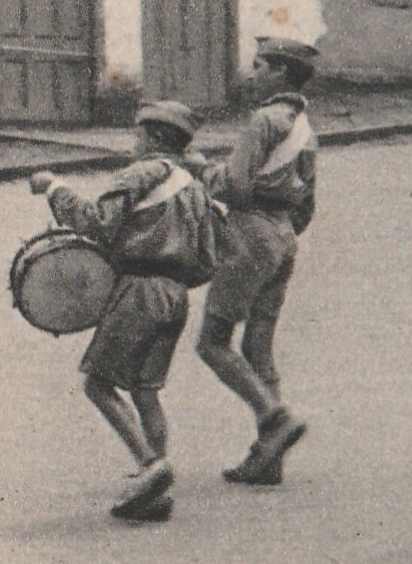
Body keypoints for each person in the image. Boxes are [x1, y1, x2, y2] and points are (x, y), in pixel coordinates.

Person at [29, 102, 217, 522]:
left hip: (139, 291)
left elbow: (95, 221)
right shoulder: (194, 185)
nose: (135, 142)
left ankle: (152, 466)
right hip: (175, 295)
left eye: (139, 135)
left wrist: (54, 187)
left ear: (153, 138)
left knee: (98, 384)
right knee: (145, 390)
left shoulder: (142, 173)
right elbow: (208, 258)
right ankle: (155, 491)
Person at [194, 37, 318, 486]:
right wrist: (282, 235)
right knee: (258, 350)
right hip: (284, 238)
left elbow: (236, 187)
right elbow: (308, 201)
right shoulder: (303, 126)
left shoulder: (263, 120)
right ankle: (270, 460)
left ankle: (274, 416)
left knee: (212, 343)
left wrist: (200, 169)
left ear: (281, 74)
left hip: (250, 234)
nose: (253, 74)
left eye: (260, 66)